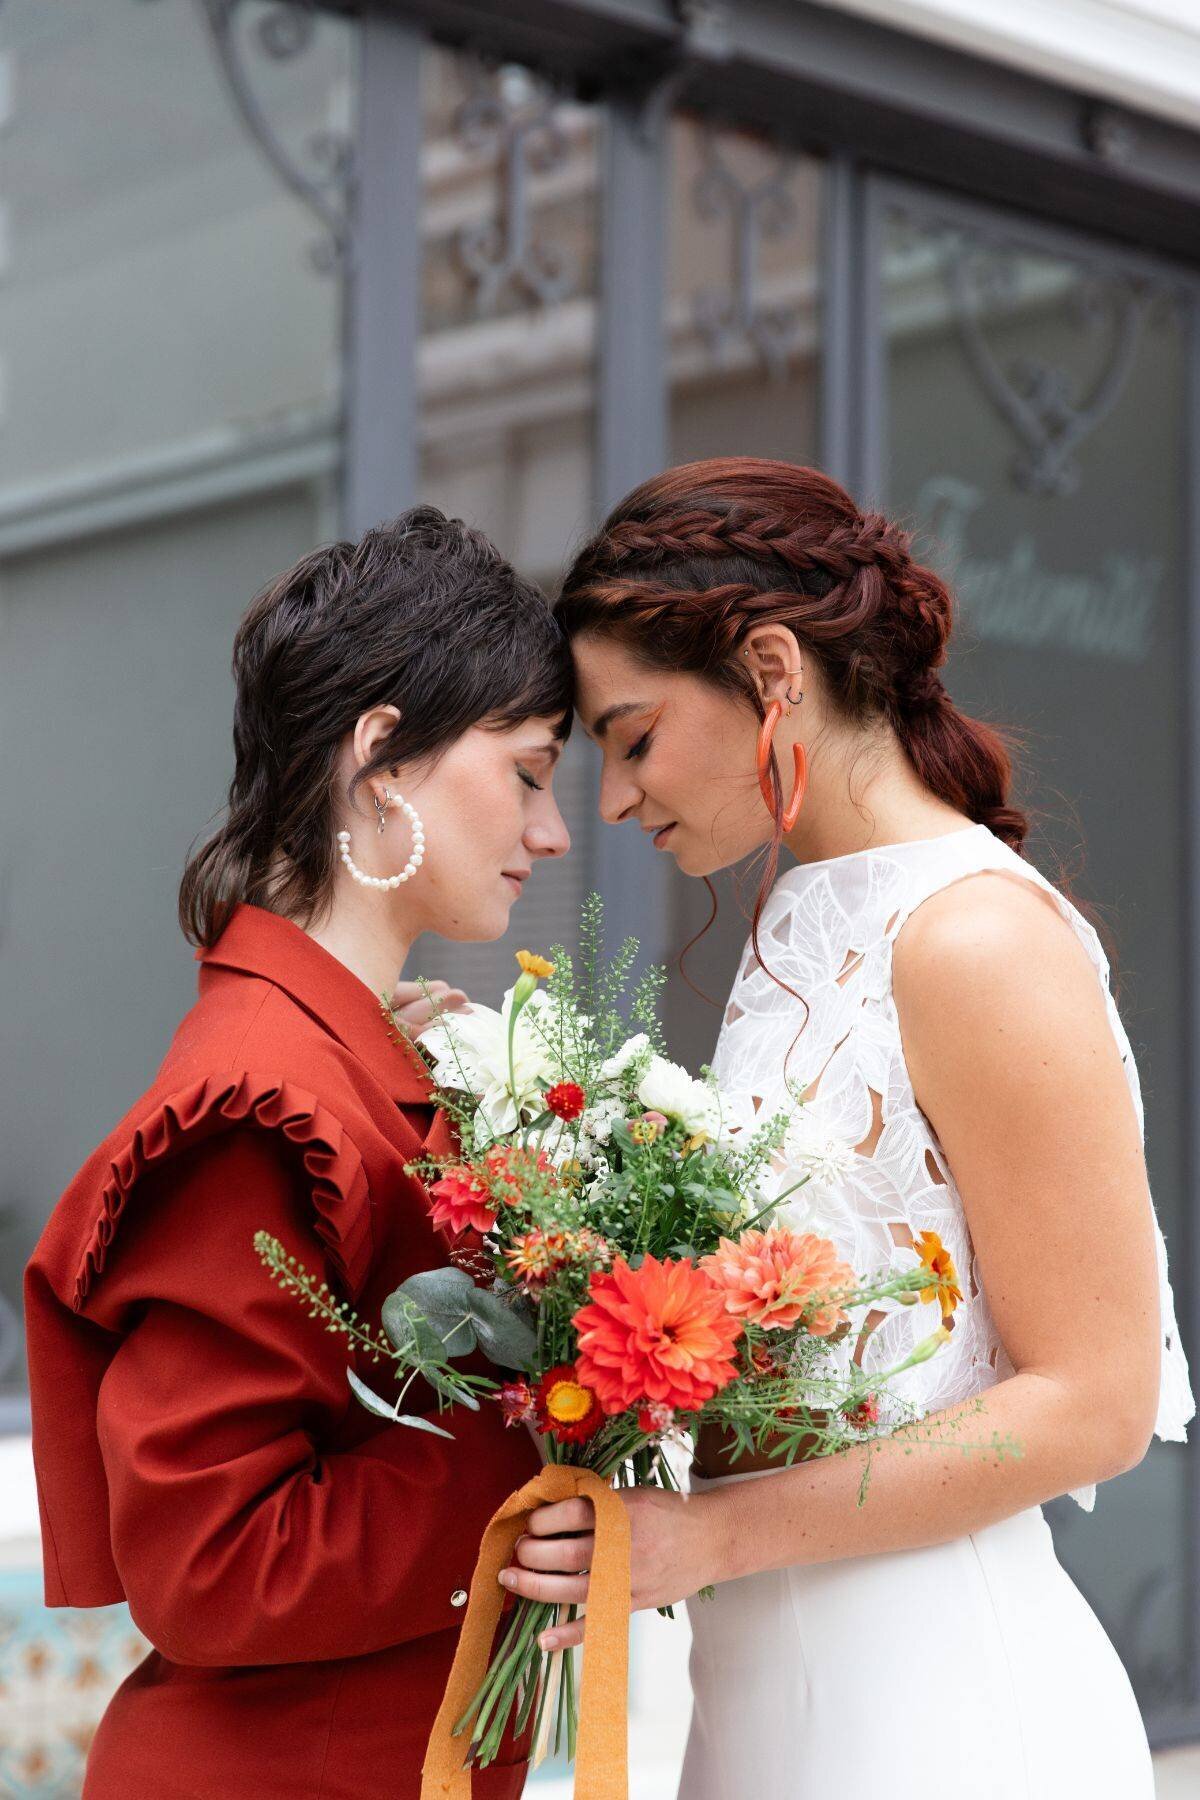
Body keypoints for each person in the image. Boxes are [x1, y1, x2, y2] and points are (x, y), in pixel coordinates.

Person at [501, 457, 1196, 1797]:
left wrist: (707, 1539)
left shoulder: (978, 939)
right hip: (760, 1699)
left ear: (771, 670)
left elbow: (1096, 1403)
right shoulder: (801, 918)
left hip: (940, 1709)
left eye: (633, 739)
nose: (613, 804)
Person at [23, 508, 572, 1798]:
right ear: (384, 756)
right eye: (531, 771)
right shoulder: (266, 1097)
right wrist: (545, 1454)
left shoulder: (351, 1059)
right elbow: (211, 1560)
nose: (550, 833)